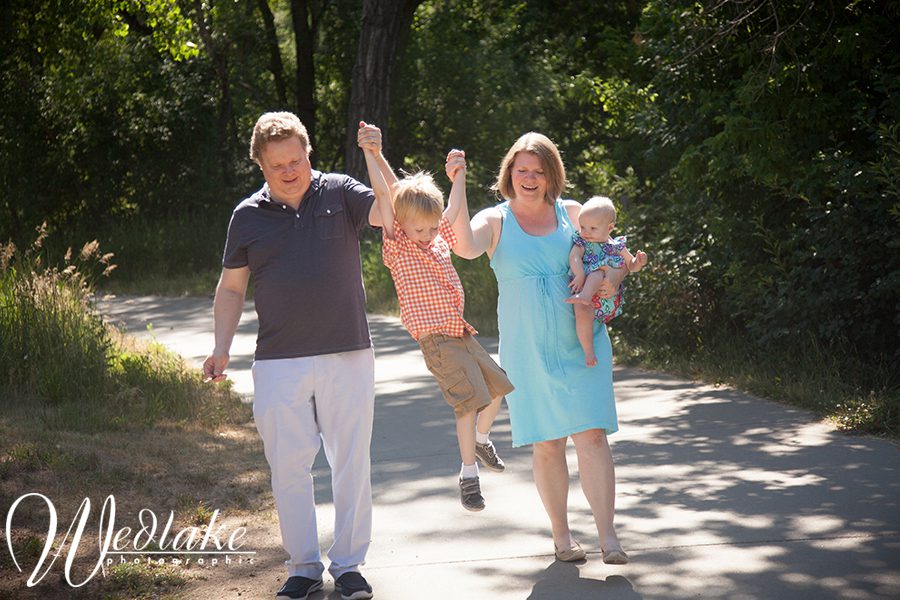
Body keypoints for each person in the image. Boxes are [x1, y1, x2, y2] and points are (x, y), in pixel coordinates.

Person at [202, 112, 391, 600]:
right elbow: (231, 289)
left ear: (309, 152)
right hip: (278, 360)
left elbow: (390, 214)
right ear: (260, 165)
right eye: (277, 164)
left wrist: (374, 154)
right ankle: (303, 566)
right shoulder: (247, 216)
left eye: (297, 159)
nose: (290, 170)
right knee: (287, 464)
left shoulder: (341, 192)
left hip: (348, 352)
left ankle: (349, 564)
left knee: (351, 461)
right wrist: (221, 348)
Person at [447, 133, 629, 565]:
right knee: (548, 444)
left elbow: (608, 254)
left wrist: (610, 277)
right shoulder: (496, 220)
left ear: (552, 175)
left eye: (538, 170)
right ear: (510, 173)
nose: (529, 178)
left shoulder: (572, 214)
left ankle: (609, 538)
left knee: (593, 436)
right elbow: (462, 246)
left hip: (581, 341)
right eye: (521, 170)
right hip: (527, 347)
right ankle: (562, 537)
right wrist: (457, 182)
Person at [361, 140, 514, 512]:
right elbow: (388, 192)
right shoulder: (399, 244)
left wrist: (458, 175)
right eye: (421, 231)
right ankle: (468, 476)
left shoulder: (437, 236)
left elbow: (453, 208)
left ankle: (480, 440)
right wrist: (373, 153)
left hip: (460, 331)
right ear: (401, 226)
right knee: (467, 404)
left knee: (498, 388)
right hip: (436, 339)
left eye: (431, 228)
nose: (428, 235)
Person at [565, 196, 647, 367]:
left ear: (610, 228)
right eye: (582, 227)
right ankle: (588, 352)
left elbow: (630, 265)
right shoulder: (582, 242)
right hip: (585, 293)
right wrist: (579, 274)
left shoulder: (616, 246)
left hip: (606, 295)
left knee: (597, 273)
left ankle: (585, 296)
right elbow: (574, 256)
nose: (586, 232)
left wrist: (638, 262)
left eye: (593, 228)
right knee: (582, 314)